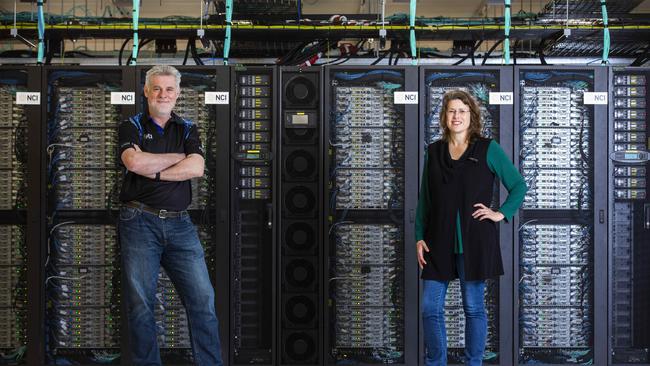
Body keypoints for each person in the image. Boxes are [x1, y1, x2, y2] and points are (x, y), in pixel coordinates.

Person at [118, 65, 223, 366]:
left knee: (203, 300)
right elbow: (134, 162)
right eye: (157, 88)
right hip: (139, 221)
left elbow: (197, 168)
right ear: (146, 91)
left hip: (180, 224)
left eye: (169, 89)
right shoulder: (132, 125)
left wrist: (156, 171)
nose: (163, 94)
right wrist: (178, 159)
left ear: (177, 94)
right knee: (140, 305)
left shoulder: (188, 128)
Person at [416, 90, 527, 366]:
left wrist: (500, 213)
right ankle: (436, 362)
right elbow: (424, 201)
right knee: (430, 308)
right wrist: (419, 237)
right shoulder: (434, 152)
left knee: (473, 308)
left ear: (471, 116)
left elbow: (518, 185)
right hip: (437, 240)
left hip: (475, 239)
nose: (457, 116)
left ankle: (473, 363)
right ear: (444, 116)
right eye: (452, 111)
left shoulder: (488, 149)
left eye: (462, 111)